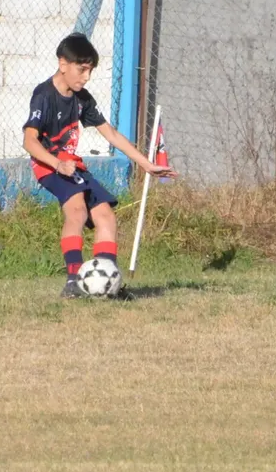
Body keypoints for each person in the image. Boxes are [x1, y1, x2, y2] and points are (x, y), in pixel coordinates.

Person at [22, 33, 176, 298]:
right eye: (81, 70)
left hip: (72, 165)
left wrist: (146, 165)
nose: (86, 77)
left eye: (90, 71)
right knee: (77, 209)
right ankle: (73, 281)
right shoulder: (43, 95)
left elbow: (111, 134)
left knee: (106, 216)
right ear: (63, 64)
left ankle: (110, 284)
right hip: (49, 165)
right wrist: (57, 164)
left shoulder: (82, 99)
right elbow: (29, 141)